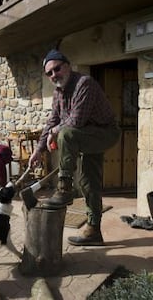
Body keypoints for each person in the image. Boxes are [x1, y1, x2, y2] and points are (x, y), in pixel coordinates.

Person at [28, 49, 121, 246]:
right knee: (89, 182)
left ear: (68, 66)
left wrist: (56, 132)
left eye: (57, 69)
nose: (54, 75)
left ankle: (64, 189)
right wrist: (39, 150)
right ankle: (93, 230)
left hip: (104, 133)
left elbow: (75, 121)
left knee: (66, 134)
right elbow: (52, 121)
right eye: (49, 73)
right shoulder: (57, 93)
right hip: (85, 136)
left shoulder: (84, 83)